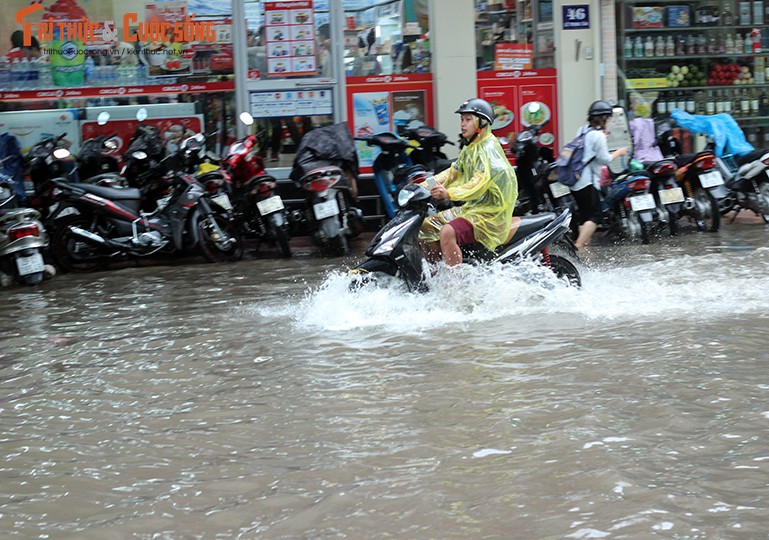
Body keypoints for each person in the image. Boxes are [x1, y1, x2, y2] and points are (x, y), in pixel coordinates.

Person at [419, 98, 518, 266]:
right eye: (462, 120)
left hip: (490, 213)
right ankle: (436, 276)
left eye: (468, 119)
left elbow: (478, 183)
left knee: (447, 232)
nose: (463, 124)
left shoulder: (487, 148)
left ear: (482, 122)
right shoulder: (470, 146)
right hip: (474, 208)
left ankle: (457, 284)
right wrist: (421, 187)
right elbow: (454, 172)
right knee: (427, 226)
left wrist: (448, 193)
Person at [570, 100, 628, 252]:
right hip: (587, 182)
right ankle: (579, 245)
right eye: (608, 118)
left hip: (575, 181)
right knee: (595, 217)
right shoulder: (598, 136)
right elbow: (605, 159)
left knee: (585, 215)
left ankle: (584, 249)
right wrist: (619, 152)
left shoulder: (582, 130)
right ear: (604, 118)